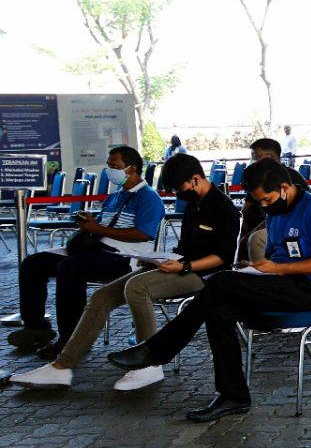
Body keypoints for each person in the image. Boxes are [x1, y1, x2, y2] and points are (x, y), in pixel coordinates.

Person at [107, 159, 311, 421]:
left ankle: (158, 350)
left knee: (221, 281)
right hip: (280, 283)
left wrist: (276, 269)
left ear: (284, 187)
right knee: (219, 310)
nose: (264, 206)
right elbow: (277, 254)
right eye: (259, 202)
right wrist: (253, 268)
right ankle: (233, 396)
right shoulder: (276, 211)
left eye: (267, 199)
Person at [10, 154, 239, 391]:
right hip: (178, 265)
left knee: (137, 288)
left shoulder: (224, 209)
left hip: (203, 275)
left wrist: (184, 266)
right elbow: (185, 248)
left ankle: (150, 363)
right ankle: (62, 366)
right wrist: (156, 260)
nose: (176, 194)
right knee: (103, 296)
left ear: (195, 179)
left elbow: (223, 258)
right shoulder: (194, 206)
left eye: (178, 188)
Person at [9, 146, 165, 359]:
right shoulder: (115, 196)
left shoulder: (148, 197)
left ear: (132, 169)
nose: (110, 171)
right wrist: (90, 222)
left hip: (124, 255)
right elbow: (102, 224)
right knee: (33, 263)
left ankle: (71, 339)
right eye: (109, 166)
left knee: (70, 268)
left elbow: (142, 234)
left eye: (115, 166)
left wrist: (97, 229)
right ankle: (37, 327)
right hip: (96, 247)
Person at [239, 138, 308, 262]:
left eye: (256, 156)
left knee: (255, 239)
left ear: (268, 158)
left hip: (287, 226)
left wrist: (249, 233)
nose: (253, 160)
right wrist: (241, 224)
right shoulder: (259, 177)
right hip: (258, 223)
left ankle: (263, 274)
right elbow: (248, 205)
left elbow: (279, 216)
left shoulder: (290, 178)